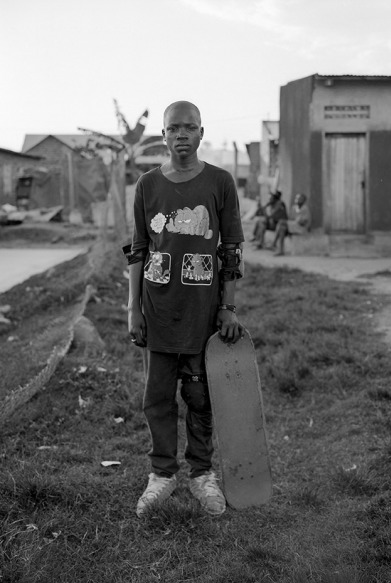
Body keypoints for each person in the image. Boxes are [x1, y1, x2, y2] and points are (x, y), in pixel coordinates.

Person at [125, 100, 245, 518]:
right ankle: (162, 474)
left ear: (200, 133)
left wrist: (228, 307)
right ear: (162, 135)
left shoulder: (220, 182)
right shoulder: (147, 185)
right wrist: (133, 308)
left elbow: (230, 249)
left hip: (203, 311)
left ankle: (200, 473)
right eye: (173, 128)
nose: (181, 134)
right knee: (157, 398)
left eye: (189, 127)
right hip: (158, 311)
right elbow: (139, 250)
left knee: (200, 397)